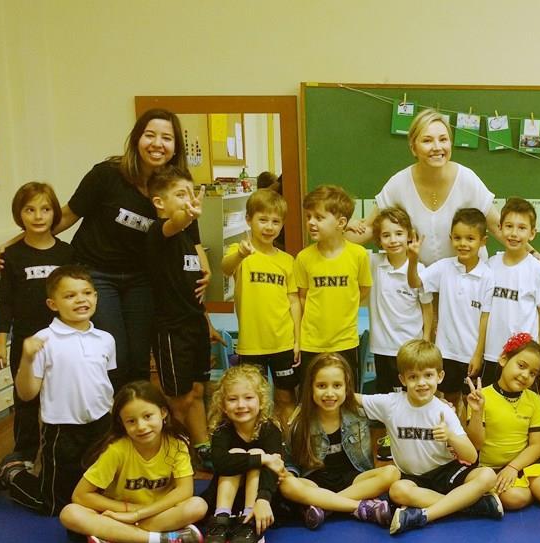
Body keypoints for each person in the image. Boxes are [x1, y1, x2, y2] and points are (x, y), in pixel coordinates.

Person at [0, 109, 210, 390]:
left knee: (138, 359)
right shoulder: (106, 175)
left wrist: (203, 269)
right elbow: (66, 215)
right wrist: (17, 241)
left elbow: (191, 237)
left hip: (142, 279)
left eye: (166, 138)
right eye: (150, 135)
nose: (157, 143)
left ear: (175, 148)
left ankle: (137, 424)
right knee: (115, 355)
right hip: (97, 274)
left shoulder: (173, 187)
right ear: (136, 139)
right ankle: (108, 424)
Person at [0, 266, 115, 516]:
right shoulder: (43, 340)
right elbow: (27, 393)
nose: (81, 300)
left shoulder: (106, 339)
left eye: (87, 293)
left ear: (96, 297)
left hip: (100, 425)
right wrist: (27, 357)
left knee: (96, 492)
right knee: (56, 505)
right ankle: (13, 473)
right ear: (53, 304)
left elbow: (103, 383)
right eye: (70, 295)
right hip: (62, 429)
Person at [355, 339, 502, 535]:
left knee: (487, 475)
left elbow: (471, 456)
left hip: (447, 472)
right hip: (415, 479)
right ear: (402, 379)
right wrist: (331, 393)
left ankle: (425, 515)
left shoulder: (443, 410)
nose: (422, 382)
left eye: (428, 375)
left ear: (440, 376)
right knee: (397, 490)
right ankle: (471, 505)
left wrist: (450, 436)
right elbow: (354, 399)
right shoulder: (390, 404)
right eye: (413, 377)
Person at [58, 381, 208, 543]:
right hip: (118, 514)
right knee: (70, 513)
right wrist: (129, 511)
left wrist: (138, 515)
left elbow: (184, 491)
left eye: (147, 416)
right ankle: (159, 540)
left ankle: (114, 538)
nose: (141, 426)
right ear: (122, 423)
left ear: (163, 412)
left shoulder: (177, 445)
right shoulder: (116, 450)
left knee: (198, 505)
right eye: (131, 421)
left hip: (156, 514)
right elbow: (80, 495)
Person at [0, 182, 73, 481]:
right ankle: (23, 457)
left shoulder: (67, 253)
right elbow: (5, 303)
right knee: (25, 402)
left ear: (54, 213)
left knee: (59, 397)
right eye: (30, 209)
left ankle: (59, 456)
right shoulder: (11, 255)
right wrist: (0, 345)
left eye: (45, 209)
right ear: (19, 214)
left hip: (62, 342)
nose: (38, 216)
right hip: (25, 342)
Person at [346, 108, 503, 265]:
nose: (437, 147)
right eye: (427, 140)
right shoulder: (398, 183)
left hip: (466, 280)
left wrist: (526, 251)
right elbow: (367, 229)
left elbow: (498, 226)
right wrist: (338, 229)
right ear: (413, 148)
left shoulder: (467, 179)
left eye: (443, 139)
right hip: (420, 282)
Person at [146, 166, 221, 463]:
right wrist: (187, 214)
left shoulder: (189, 240)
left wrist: (207, 323)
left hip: (194, 326)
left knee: (198, 390)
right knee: (179, 398)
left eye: (191, 193)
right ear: (159, 202)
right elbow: (174, 222)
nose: (188, 200)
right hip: (170, 330)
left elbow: (194, 292)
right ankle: (174, 452)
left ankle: (202, 447)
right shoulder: (159, 233)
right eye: (180, 194)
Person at [466, 333, 540, 511]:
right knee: (516, 498)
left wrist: (514, 467)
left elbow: (536, 445)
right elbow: (475, 444)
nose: (525, 375)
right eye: (521, 366)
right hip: (490, 468)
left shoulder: (534, 400)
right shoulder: (481, 397)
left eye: (533, 373)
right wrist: (477, 413)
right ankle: (525, 487)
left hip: (524, 462)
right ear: (503, 360)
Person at [279, 353, 401, 529]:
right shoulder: (300, 422)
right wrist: (289, 475)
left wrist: (434, 404)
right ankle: (356, 506)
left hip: (354, 480)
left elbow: (399, 409)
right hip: (315, 483)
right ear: (311, 388)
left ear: (347, 387)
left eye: (337, 385)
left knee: (391, 473)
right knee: (287, 484)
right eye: (321, 386)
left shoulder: (360, 414)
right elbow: (291, 464)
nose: (329, 393)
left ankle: (325, 506)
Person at [221, 188, 301, 428]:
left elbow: (294, 301)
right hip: (251, 344)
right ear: (249, 220)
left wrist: (297, 340)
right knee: (252, 399)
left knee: (286, 397)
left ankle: (287, 446)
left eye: (276, 221)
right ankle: (259, 445)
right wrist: (241, 255)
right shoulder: (239, 252)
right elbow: (225, 268)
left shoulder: (287, 261)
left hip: (283, 342)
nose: (269, 227)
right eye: (262, 219)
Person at [407, 207, 492, 410]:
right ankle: (451, 440)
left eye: (470, 238)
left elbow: (485, 318)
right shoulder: (444, 267)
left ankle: (468, 440)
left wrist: (478, 354)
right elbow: (415, 282)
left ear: (483, 241)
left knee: (473, 402)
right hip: (446, 352)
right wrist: (412, 260)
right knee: (449, 400)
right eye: (457, 238)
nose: (463, 244)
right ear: (450, 238)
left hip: (471, 353)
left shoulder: (488, 275)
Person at [199, 365, 286, 543]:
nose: (241, 405)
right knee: (245, 454)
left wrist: (263, 499)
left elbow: (275, 469)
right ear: (222, 404)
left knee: (254, 452)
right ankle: (221, 520)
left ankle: (249, 522)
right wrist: (261, 458)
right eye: (232, 399)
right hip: (228, 497)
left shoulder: (270, 429)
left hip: (260, 499)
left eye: (248, 398)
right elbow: (221, 463)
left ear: (261, 401)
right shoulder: (222, 430)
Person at [295, 185, 372, 383]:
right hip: (311, 343)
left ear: (341, 223)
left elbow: (363, 289)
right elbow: (302, 297)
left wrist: (344, 305)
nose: (311, 222)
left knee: (344, 396)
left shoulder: (358, 255)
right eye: (308, 216)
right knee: (312, 397)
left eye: (319, 218)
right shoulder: (304, 258)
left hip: (345, 341)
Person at [478, 197, 540, 389]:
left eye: (522, 228)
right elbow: (482, 312)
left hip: (525, 357)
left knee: (526, 409)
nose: (514, 233)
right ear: (500, 228)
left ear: (532, 233)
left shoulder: (537, 270)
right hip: (492, 353)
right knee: (488, 408)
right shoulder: (489, 267)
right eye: (509, 226)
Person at [368, 205, 433, 393]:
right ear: (379, 240)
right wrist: (363, 223)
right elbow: (346, 241)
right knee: (386, 397)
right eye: (386, 235)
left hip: (410, 347)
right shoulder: (373, 263)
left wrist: (426, 338)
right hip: (382, 347)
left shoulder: (420, 270)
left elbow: (427, 308)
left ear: (409, 235)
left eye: (399, 233)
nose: (393, 240)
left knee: (411, 395)